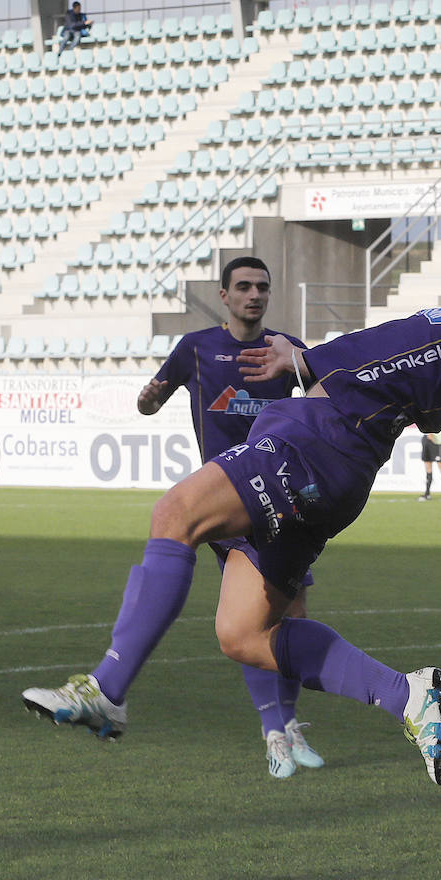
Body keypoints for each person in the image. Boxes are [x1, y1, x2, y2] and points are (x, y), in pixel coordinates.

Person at [22, 214, 441, 788]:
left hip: (319, 442)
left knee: (175, 513)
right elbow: (389, 362)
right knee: (244, 635)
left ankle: (106, 690)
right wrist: (302, 361)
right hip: (333, 458)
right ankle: (408, 695)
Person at [137, 256, 326, 779]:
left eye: (262, 287)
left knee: (296, 615)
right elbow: (149, 401)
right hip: (228, 502)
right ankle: (273, 732)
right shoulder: (196, 347)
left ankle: (288, 725)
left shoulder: (285, 349)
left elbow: (326, 396)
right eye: (243, 287)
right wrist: (149, 399)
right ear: (224, 295)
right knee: (254, 620)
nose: (254, 295)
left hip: (285, 501)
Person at [418, 432, 441, 500]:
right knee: (428, 467)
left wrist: (431, 433)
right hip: (426, 439)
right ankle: (427, 493)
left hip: (436, 441)